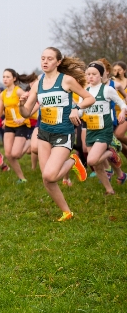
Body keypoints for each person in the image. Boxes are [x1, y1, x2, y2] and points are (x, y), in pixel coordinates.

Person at [19, 47, 94, 222]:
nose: (45, 62)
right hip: (45, 133)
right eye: (43, 58)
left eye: (50, 59)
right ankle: (67, 212)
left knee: (49, 175)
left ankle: (73, 161)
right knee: (48, 180)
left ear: (58, 62)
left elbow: (89, 98)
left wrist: (76, 108)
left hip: (63, 132)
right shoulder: (38, 83)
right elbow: (26, 113)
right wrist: (20, 104)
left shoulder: (66, 80)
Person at [81, 61, 127, 194]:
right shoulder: (85, 92)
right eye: (88, 74)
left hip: (104, 130)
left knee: (92, 160)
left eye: (94, 74)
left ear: (101, 75)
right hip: (91, 130)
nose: (90, 77)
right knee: (97, 165)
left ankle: (110, 152)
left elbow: (122, 104)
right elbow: (80, 109)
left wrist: (123, 112)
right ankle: (109, 190)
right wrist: (74, 112)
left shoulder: (107, 90)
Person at [0, 69, 38, 183]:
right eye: (4, 77)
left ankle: (30, 141)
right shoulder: (2, 94)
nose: (5, 79)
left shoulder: (18, 91)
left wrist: (23, 117)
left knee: (16, 154)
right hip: (9, 125)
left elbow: (32, 103)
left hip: (22, 124)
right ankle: (22, 178)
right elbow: (0, 112)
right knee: (8, 154)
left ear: (14, 79)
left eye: (8, 77)